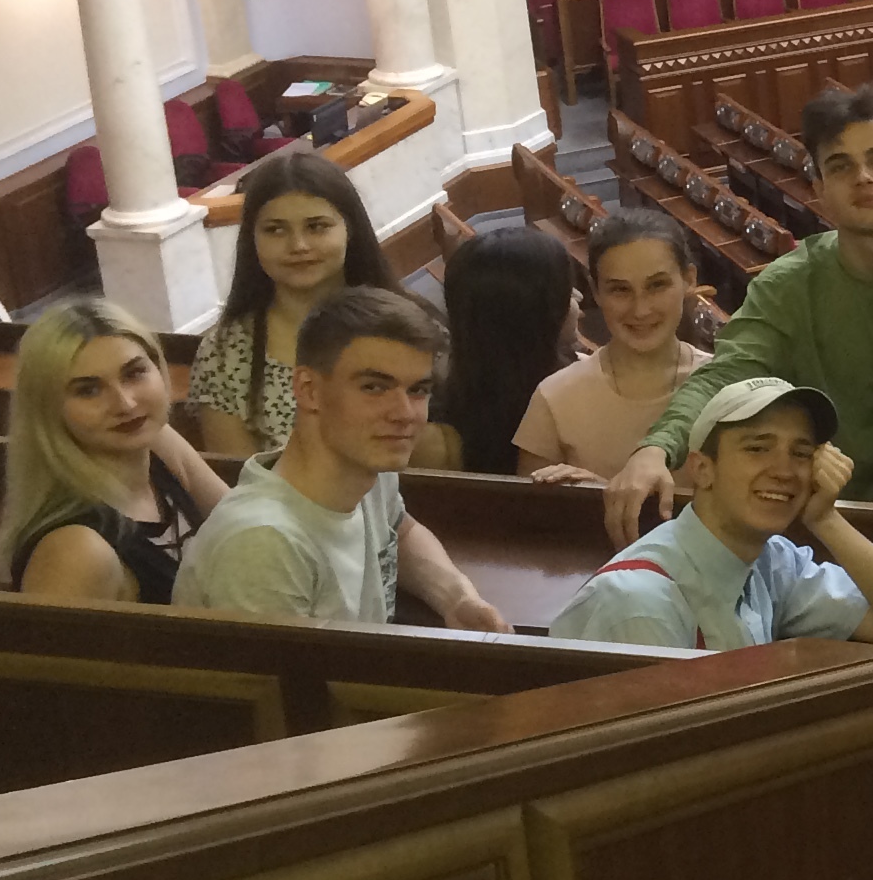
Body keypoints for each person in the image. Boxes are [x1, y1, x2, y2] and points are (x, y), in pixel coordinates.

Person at [604, 85, 873, 541]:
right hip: (827, 527)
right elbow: (724, 376)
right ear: (819, 190)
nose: (864, 177)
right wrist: (655, 448)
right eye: (841, 166)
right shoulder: (785, 286)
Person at [172, 288, 507, 631]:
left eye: (417, 390)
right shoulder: (263, 545)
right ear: (308, 389)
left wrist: (456, 597)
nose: (405, 413)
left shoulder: (368, 470)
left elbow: (401, 532)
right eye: (374, 387)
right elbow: (275, 668)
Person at [549, 377, 873, 650]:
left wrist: (825, 520)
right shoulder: (638, 601)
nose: (784, 471)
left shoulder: (773, 562)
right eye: (757, 448)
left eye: (801, 453)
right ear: (703, 469)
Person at [2, 300, 231, 604]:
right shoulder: (76, 551)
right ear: (48, 409)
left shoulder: (159, 442)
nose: (125, 404)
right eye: (89, 390)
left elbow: (244, 527)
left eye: (134, 373)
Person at [192, 148, 402, 458]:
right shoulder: (224, 353)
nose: (298, 246)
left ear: (350, 229)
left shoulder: (407, 328)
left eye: (316, 226)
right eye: (275, 230)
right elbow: (238, 480)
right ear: (252, 240)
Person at [519, 209, 716, 483]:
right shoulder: (555, 397)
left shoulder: (724, 387)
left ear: (689, 280)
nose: (641, 310)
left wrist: (607, 492)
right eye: (620, 290)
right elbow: (531, 508)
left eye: (657, 285)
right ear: (596, 291)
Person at [419, 226, 576, 471]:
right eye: (568, 293)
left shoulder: (438, 407)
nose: (577, 300)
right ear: (541, 316)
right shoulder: (576, 396)